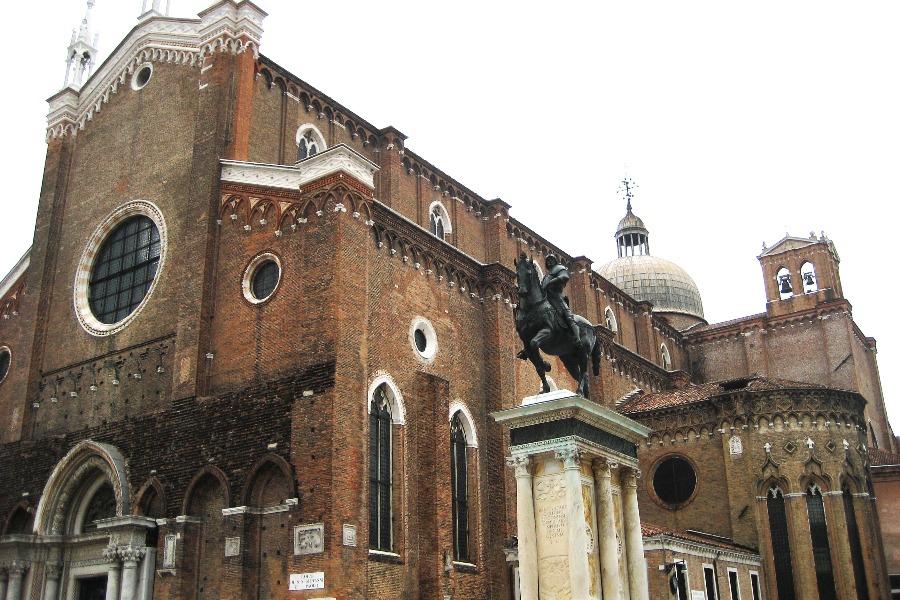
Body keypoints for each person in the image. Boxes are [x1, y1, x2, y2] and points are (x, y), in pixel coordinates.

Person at [542, 254, 581, 346]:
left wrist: (550, 283)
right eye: (548, 260)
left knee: (568, 316)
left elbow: (565, 277)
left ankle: (577, 337)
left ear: (555, 261)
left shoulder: (560, 268)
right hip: (546, 297)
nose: (549, 262)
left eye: (551, 260)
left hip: (557, 296)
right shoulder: (547, 275)